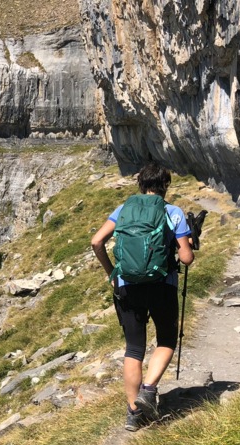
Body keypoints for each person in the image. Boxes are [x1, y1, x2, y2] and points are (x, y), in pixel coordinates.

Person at [90, 163, 194, 431]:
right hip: (162, 285)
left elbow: (96, 242)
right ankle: (149, 390)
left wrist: (112, 273)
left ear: (140, 184)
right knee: (167, 339)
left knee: (134, 348)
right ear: (165, 185)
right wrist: (187, 244)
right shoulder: (173, 212)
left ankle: (134, 413)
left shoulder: (123, 210)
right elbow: (186, 258)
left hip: (127, 285)